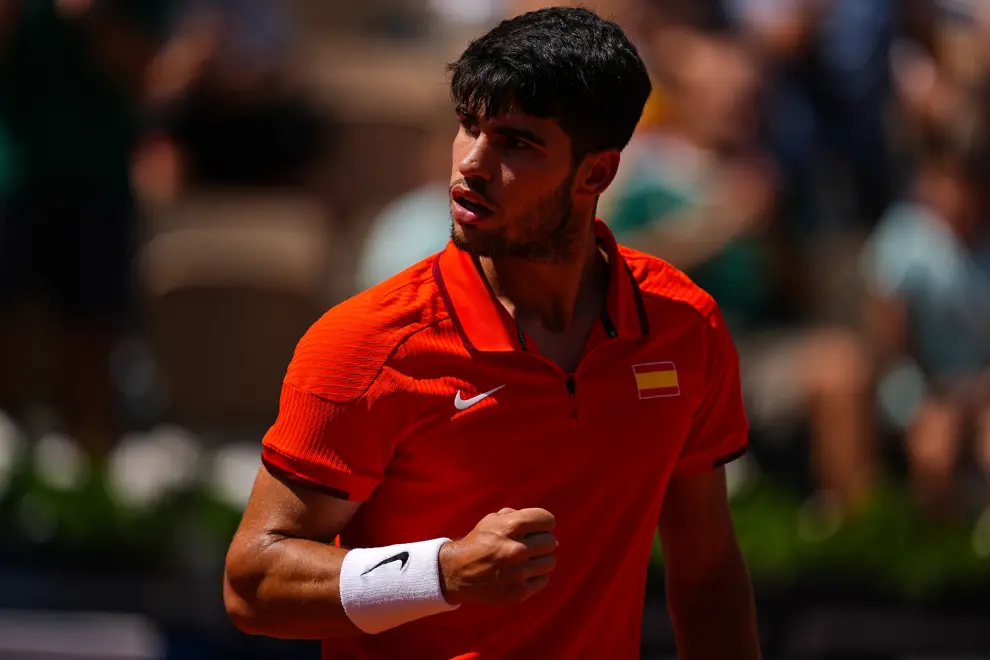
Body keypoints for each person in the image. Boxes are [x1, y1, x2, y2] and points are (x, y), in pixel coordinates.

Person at [224, 8, 761, 659]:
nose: (471, 165)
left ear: (596, 173)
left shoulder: (684, 328)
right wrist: (443, 574)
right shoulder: (366, 345)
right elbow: (252, 583)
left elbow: (705, 572)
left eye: (516, 143)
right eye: (468, 127)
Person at [862, 126, 990, 522]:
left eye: (967, 184)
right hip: (923, 387)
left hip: (982, 386)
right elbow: (888, 343)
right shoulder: (905, 241)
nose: (955, 197)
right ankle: (938, 559)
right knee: (933, 450)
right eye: (944, 181)